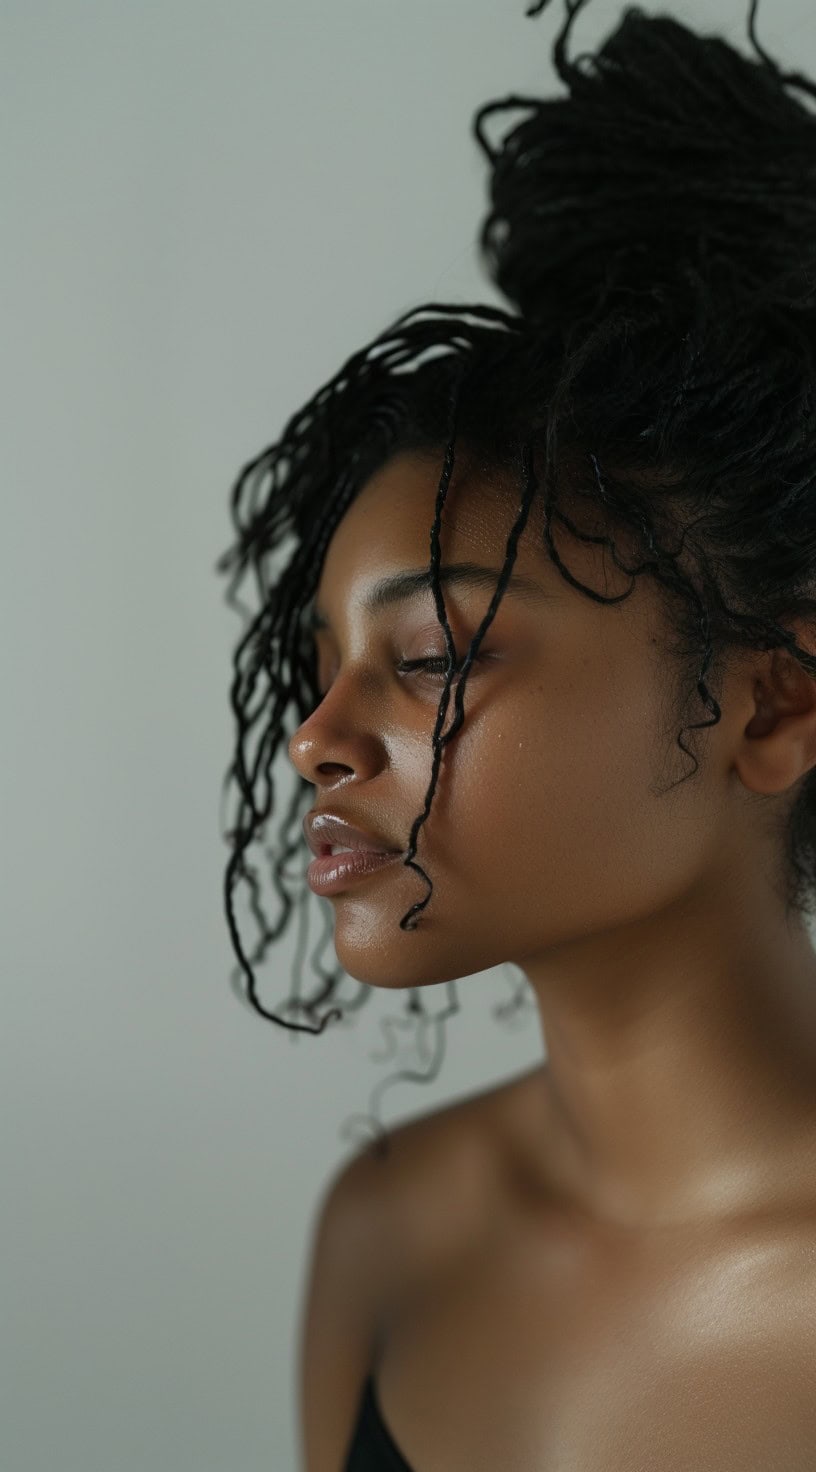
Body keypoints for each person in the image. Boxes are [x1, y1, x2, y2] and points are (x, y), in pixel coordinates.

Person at [214, 0, 816, 1465]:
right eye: (325, 660)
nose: (318, 739)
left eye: (429, 654)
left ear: (776, 703)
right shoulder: (389, 1231)